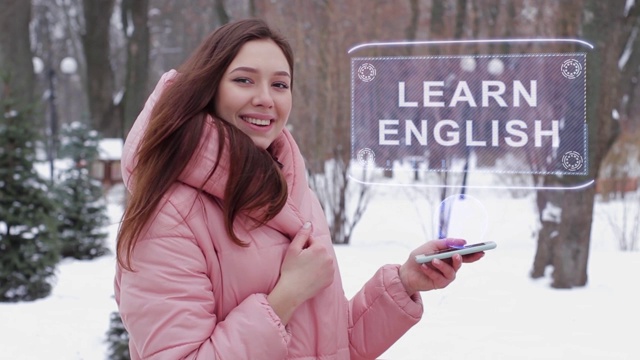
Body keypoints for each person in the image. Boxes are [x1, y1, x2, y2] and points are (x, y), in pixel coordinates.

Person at [114, 18, 485, 360]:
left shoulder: (291, 193)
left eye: (280, 84)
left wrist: (405, 282)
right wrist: (286, 296)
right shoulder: (168, 218)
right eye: (244, 80)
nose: (265, 98)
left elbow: (332, 345)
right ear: (207, 89)